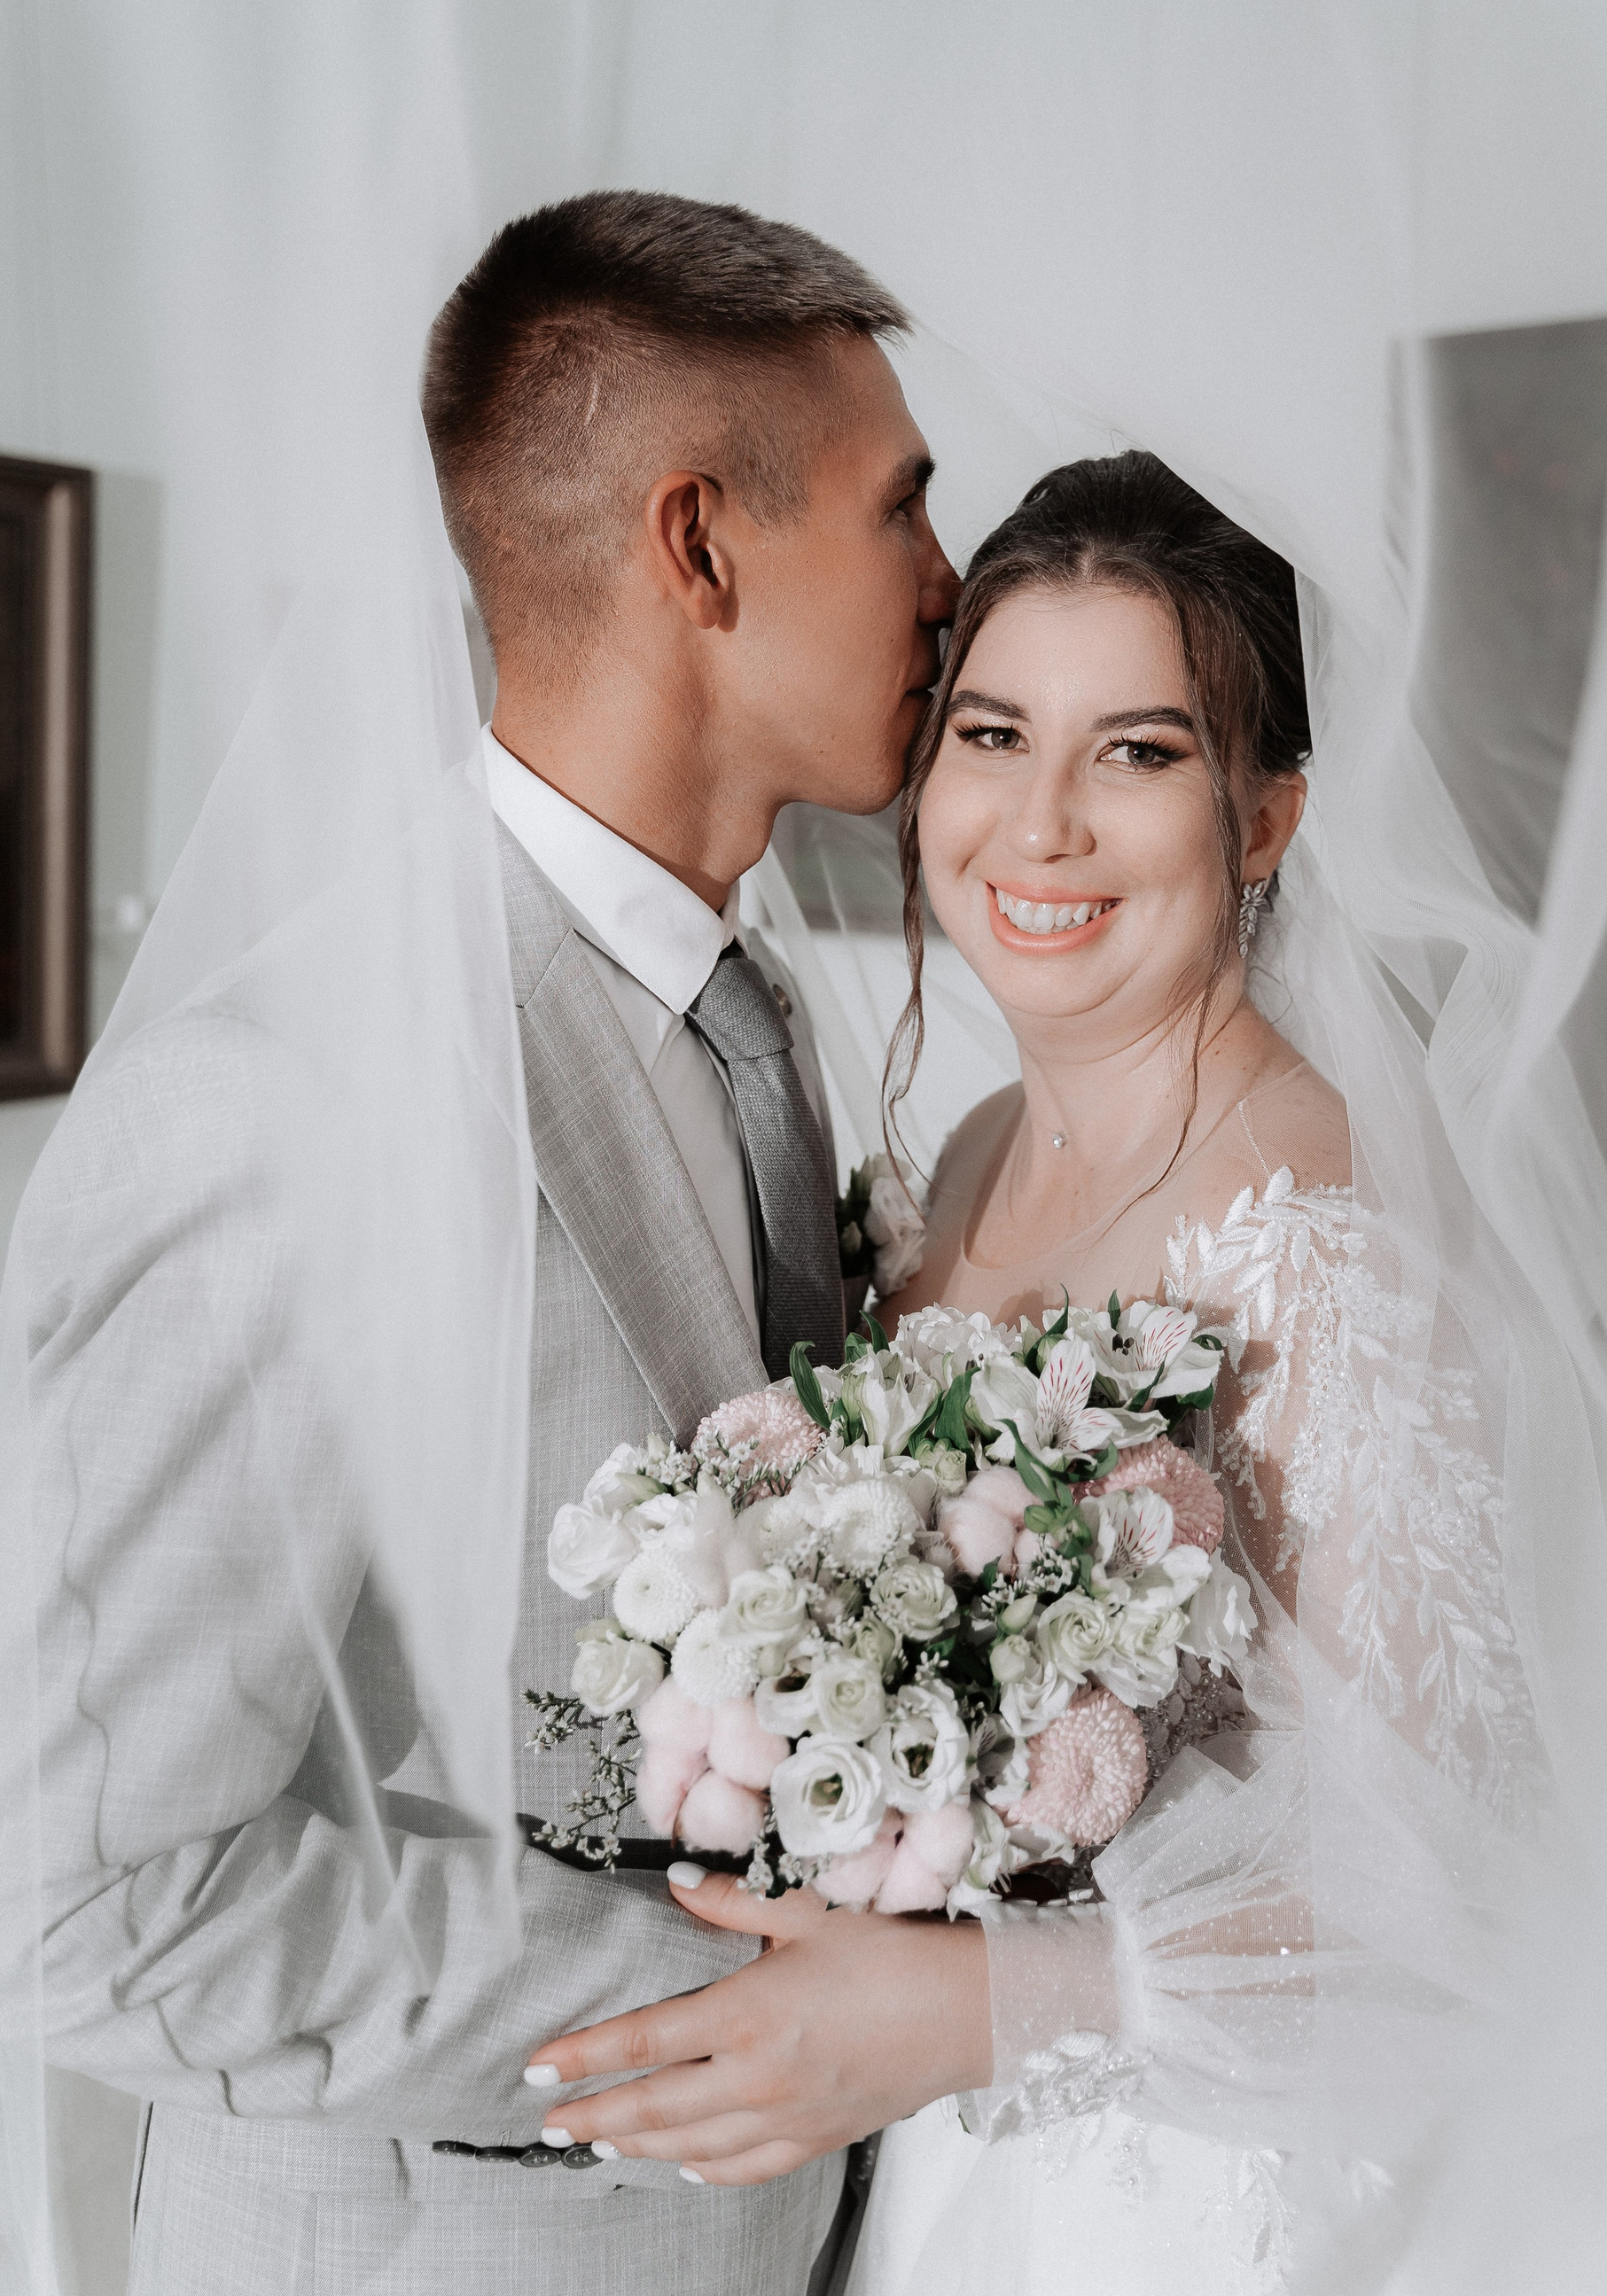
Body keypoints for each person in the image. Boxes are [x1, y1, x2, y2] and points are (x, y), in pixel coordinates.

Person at [20, 191, 957, 2296]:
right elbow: (76, 1902)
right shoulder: (280, 1101)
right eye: (903, 505)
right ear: (698, 546)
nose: (948, 578)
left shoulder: (760, 1018)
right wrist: (746, 2000)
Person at [531, 455, 1532, 2292]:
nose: (1041, 825)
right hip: (934, 2165)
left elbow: (1457, 1911)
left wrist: (986, 2003)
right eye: (993, 735)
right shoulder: (977, 1150)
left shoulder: (1319, 1238)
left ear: (1267, 818)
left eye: (1138, 753)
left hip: (1189, 2200)